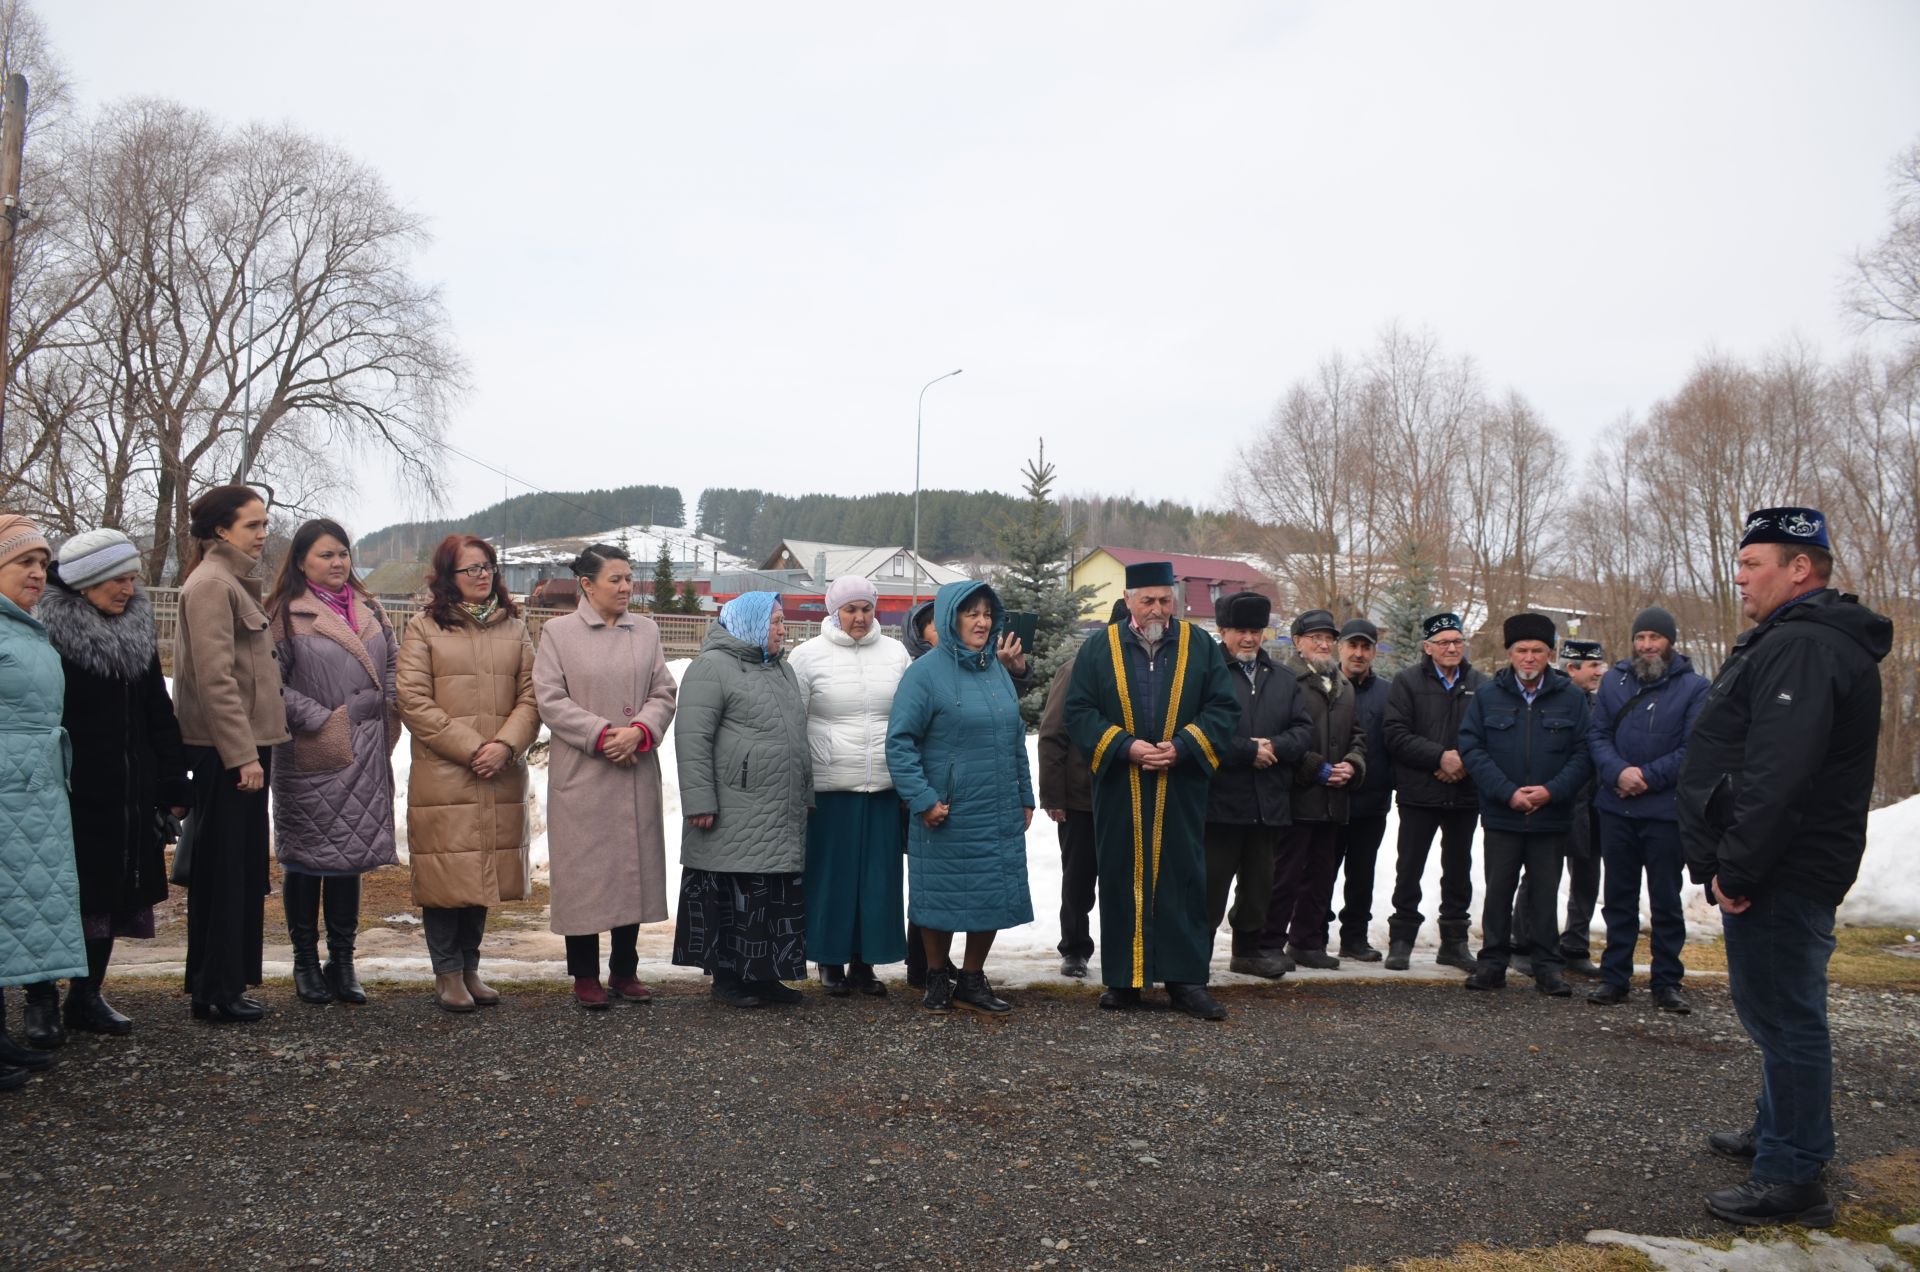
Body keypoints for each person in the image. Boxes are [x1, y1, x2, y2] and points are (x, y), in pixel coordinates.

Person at [1678, 507, 1889, 1228]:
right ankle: (1783, 1134)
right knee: (1779, 1012)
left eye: (1753, 563)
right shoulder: (1798, 640)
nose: (1739, 575)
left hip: (1782, 866)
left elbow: (1778, 773)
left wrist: (1736, 869)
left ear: (1800, 568)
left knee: (1785, 1019)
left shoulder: (1805, 646)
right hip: (1784, 861)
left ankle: (1792, 1175)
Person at [25, 529, 188, 1042]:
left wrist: (172, 781)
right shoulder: (45, 635)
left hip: (127, 791)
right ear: (87, 580)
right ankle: (40, 1001)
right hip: (69, 790)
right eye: (119, 578)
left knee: (114, 894)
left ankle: (87, 995)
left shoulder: (135, 629)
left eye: (133, 578)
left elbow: (155, 711)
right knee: (58, 897)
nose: (128, 588)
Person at [1066, 561, 1241, 1020]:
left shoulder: (1199, 645)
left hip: (1180, 786)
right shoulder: (1098, 649)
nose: (1158, 608)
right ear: (1129, 601)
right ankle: (1125, 981)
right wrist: (1126, 747)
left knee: (1183, 878)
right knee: (1122, 878)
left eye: (1166, 599)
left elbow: (1223, 708)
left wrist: (1182, 746)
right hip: (1120, 787)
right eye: (1148, 600)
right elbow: (1079, 712)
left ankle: (1186, 981)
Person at [396, 535, 541, 1013]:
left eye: (488, 567)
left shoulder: (514, 628)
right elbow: (413, 702)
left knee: (481, 876)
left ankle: (471, 967)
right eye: (471, 569)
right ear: (446, 577)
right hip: (446, 773)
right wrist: (475, 748)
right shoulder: (423, 628)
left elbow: (531, 697)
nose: (483, 576)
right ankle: (447, 974)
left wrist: (505, 745)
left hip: (499, 770)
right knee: (447, 876)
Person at [534, 544, 678, 1009]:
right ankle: (585, 975)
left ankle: (625, 970)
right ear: (587, 584)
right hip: (584, 770)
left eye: (628, 578)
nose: (625, 587)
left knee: (629, 870)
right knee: (585, 875)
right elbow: (550, 699)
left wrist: (639, 731)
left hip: (634, 767)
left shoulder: (647, 631)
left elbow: (664, 691)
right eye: (615, 579)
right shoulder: (558, 633)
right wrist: (601, 735)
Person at [265, 519, 401, 1007]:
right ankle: (304, 960)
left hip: (365, 751)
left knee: (350, 860)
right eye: (326, 555)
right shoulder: (285, 613)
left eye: (343, 553)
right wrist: (324, 719)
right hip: (313, 749)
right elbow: (268, 685)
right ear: (301, 561)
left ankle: (342, 960)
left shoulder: (371, 609)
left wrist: (387, 711)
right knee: (305, 860)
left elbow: (391, 666)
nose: (338, 563)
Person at [886, 580, 1034, 1014]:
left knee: (990, 894)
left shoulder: (996, 673)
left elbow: (1014, 739)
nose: (983, 621)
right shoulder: (925, 673)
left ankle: (971, 978)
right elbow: (900, 742)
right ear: (951, 618)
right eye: (972, 613)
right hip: (945, 810)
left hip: (998, 806)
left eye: (988, 613)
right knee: (939, 896)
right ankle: (935, 977)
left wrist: (1025, 794)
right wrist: (923, 799)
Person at [173, 486, 290, 1023]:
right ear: (221, 530)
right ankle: (215, 989)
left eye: (265, 524)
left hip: (244, 749)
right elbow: (216, 680)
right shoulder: (211, 586)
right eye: (252, 525)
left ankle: (217, 984)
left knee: (237, 871)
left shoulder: (229, 582)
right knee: (223, 875)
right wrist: (242, 756)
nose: (263, 534)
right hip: (229, 755)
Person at [674, 592, 812, 1008]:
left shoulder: (783, 669)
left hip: (778, 808)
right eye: (775, 622)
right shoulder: (710, 668)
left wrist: (804, 790)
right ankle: (729, 978)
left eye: (782, 621)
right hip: (734, 806)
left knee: (771, 893)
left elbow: (795, 738)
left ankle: (765, 974)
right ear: (750, 623)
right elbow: (691, 739)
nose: (782, 629)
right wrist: (699, 800)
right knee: (733, 894)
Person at [1456, 613, 1594, 998]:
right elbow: (1472, 747)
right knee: (1498, 891)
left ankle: (1547, 967)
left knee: (1545, 894)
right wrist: (1508, 792)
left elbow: (1584, 754)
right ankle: (1492, 964)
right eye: (1522, 650)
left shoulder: (1571, 697)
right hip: (1503, 815)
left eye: (1537, 650)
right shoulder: (1487, 695)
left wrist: (1550, 791)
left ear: (1550, 653)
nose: (1529, 658)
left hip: (1551, 817)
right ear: (1510, 653)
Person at [790, 575, 910, 996]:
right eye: (850, 609)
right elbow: (794, 721)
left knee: (878, 879)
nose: (859, 618)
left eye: (866, 608)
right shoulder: (807, 657)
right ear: (833, 610)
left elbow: (908, 717)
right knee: (833, 877)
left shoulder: (896, 654)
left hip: (882, 785)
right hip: (830, 786)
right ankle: (829, 959)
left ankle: (866, 961)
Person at [1585, 609, 1707, 1014]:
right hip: (1616, 808)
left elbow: (1693, 749)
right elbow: (1597, 734)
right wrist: (1619, 772)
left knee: (1666, 900)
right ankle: (1614, 978)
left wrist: (1647, 777)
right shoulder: (1615, 683)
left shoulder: (1694, 688)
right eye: (1641, 637)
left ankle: (1666, 981)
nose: (1647, 645)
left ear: (1670, 641)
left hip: (1663, 812)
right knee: (1618, 898)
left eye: (1655, 637)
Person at [0, 516, 85, 1088]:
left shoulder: (26, 628)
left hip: (31, 793)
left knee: (14, 914)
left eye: (42, 563)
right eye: (23, 563)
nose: (37, 573)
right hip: (10, 789)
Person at [1202, 592, 1311, 979]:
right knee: (1209, 886)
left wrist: (1273, 748)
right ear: (1222, 631)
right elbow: (1197, 734)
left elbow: (1302, 731)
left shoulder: (1283, 678)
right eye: (1240, 631)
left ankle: (1247, 952)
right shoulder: (1203, 673)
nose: (1249, 639)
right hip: (1220, 803)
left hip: (1269, 803)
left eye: (1255, 630)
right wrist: (1247, 751)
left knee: (1259, 885)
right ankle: (1195, 957)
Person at [1259, 608, 1367, 970]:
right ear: (1298, 643)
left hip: (1334, 800)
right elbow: (1280, 735)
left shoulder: (1345, 685)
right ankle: (1269, 942)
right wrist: (1315, 769)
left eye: (1328, 638)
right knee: (1284, 875)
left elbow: (1358, 735)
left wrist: (1352, 763)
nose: (1323, 644)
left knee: (1322, 876)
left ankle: (1306, 942)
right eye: (1315, 638)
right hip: (1294, 797)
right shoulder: (1285, 680)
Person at [1381, 612, 1486, 973]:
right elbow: (1395, 733)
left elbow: (1489, 735)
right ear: (1428, 647)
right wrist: (1440, 757)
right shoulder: (1407, 682)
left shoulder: (1480, 684)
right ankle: (1401, 940)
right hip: (1419, 791)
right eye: (1444, 642)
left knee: (1459, 869)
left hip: (1465, 793)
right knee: (1408, 867)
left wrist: (1463, 763)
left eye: (1457, 641)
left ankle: (1455, 943)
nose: (1452, 648)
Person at [1039, 597, 1130, 979]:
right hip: (1081, 798)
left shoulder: (1149, 677)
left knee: (1125, 880)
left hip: (1129, 796)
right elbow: (1052, 736)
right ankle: (1074, 948)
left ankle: (1124, 949)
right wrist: (1054, 797)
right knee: (1078, 879)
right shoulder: (1076, 669)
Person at [1512, 638, 1606, 978]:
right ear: (1571, 668)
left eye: (1600, 665)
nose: (1599, 672)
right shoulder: (1553, 700)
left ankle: (1575, 945)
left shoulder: (1600, 703)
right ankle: (1522, 942)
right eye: (1592, 666)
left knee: (1587, 875)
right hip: (1557, 800)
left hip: (1595, 803)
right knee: (1539, 875)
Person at [1334, 617, 1393, 962]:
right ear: (1341, 647)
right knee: (1320, 871)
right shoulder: (1323, 685)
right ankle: (1309, 934)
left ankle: (1354, 937)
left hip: (1371, 801)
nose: (1358, 653)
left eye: (1365, 647)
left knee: (1362, 874)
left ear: (1374, 651)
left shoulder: (1388, 692)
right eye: (1352, 645)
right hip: (1327, 799)